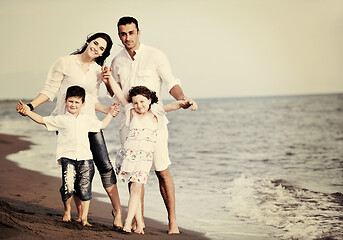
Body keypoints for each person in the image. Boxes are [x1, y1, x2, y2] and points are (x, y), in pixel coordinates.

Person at [16, 32, 123, 229]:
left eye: (102, 48)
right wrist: (30, 107)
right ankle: (81, 215)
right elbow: (49, 91)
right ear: (88, 41)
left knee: (104, 164)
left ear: (103, 53)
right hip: (66, 122)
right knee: (74, 165)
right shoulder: (64, 62)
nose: (96, 48)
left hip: (89, 121)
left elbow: (91, 100)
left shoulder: (98, 71)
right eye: (96, 43)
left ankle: (117, 211)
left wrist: (108, 109)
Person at [101, 16, 198, 234]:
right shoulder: (117, 61)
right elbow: (113, 92)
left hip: (154, 124)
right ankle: (138, 221)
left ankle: (172, 221)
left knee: (162, 171)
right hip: (128, 125)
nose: (127, 38)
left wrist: (182, 99)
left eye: (131, 33)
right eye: (123, 34)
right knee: (133, 173)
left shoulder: (156, 56)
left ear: (138, 32)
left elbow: (171, 83)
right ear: (119, 35)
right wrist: (107, 80)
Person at [17, 86, 118, 226]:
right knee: (68, 186)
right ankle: (67, 210)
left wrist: (111, 113)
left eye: (77, 102)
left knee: (85, 189)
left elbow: (102, 125)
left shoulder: (87, 120)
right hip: (68, 158)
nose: (73, 105)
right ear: (65, 101)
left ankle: (84, 218)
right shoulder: (61, 119)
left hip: (86, 159)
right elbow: (41, 120)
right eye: (71, 101)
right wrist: (28, 112)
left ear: (83, 104)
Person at [104, 81, 195, 234]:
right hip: (129, 157)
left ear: (150, 100)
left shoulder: (155, 113)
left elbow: (172, 106)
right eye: (136, 102)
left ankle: (128, 222)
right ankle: (139, 224)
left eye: (142, 102)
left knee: (135, 188)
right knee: (135, 189)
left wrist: (186, 102)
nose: (139, 105)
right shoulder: (131, 111)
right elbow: (119, 93)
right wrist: (109, 78)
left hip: (144, 160)